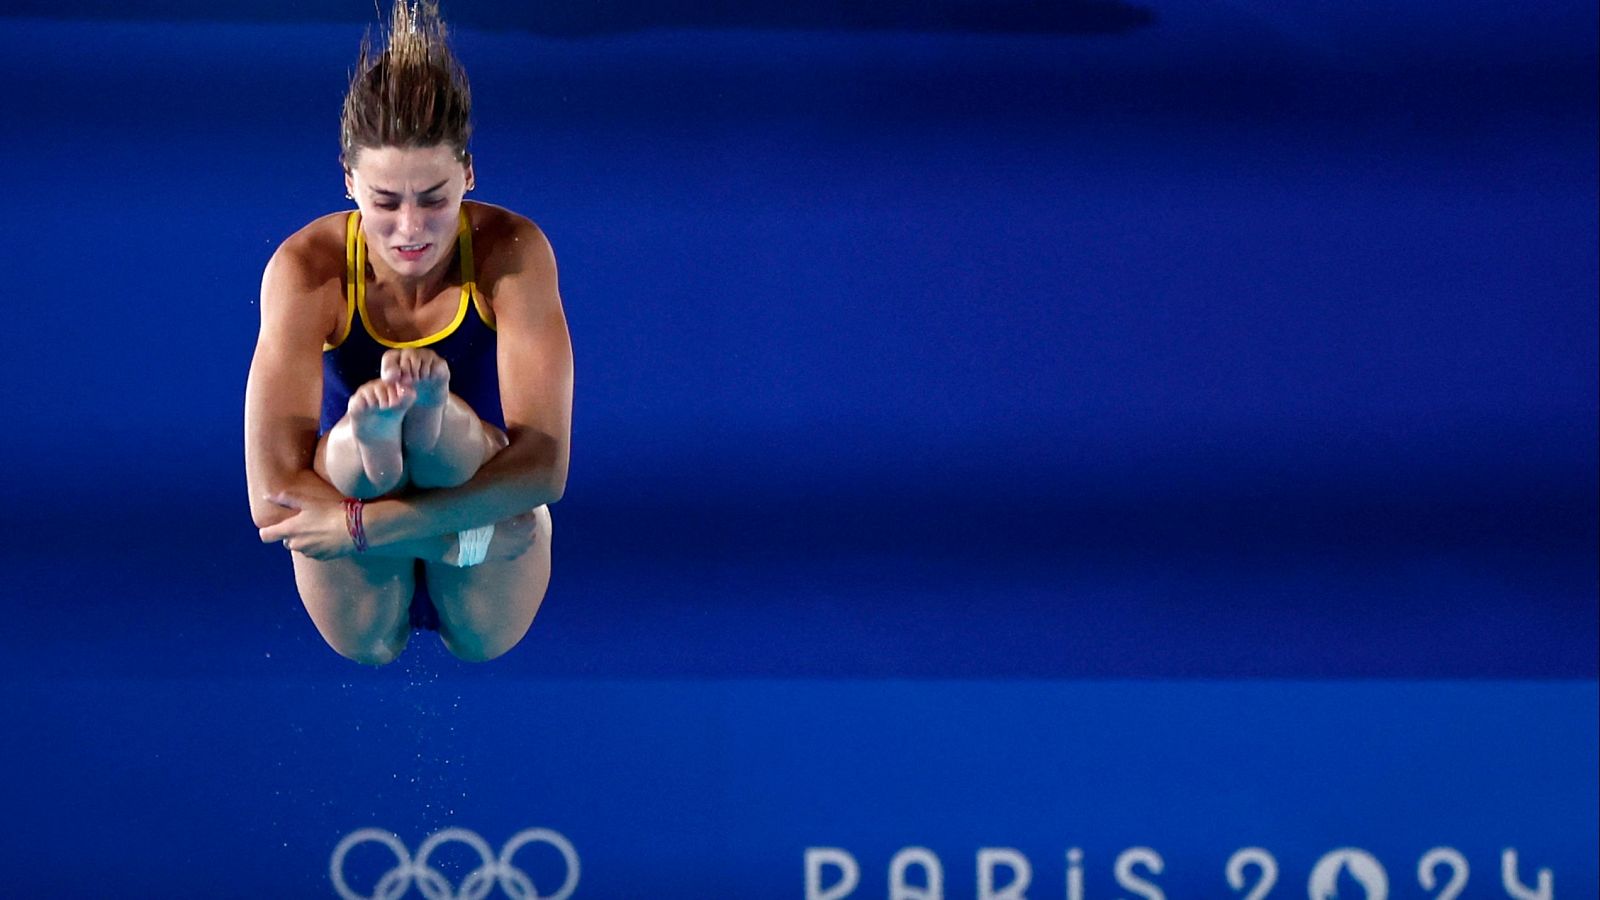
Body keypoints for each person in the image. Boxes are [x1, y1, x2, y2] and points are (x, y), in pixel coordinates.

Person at [245, 1, 572, 665]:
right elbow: (271, 494)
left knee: (481, 639)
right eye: (385, 202)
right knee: (368, 636)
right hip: (468, 530)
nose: (411, 228)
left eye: (434, 197)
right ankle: (382, 439)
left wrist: (368, 526)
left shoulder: (512, 251)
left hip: (434, 517)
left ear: (468, 175)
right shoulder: (307, 267)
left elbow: (544, 467)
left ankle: (427, 423)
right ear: (349, 183)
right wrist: (441, 535)